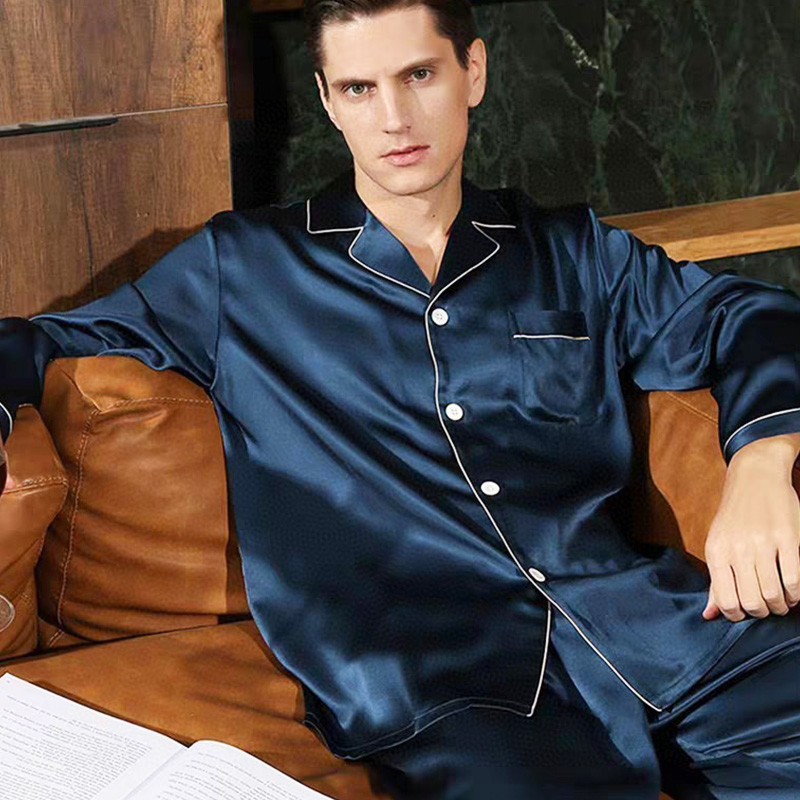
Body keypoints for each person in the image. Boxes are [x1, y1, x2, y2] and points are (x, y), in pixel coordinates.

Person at [2, 0, 800, 796]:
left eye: (418, 75)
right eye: (359, 88)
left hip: (661, 628)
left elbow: (748, 314)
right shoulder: (242, 269)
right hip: (450, 684)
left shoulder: (573, 252)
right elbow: (38, 343)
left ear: (472, 73)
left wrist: (764, 460)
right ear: (327, 100)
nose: (393, 118)